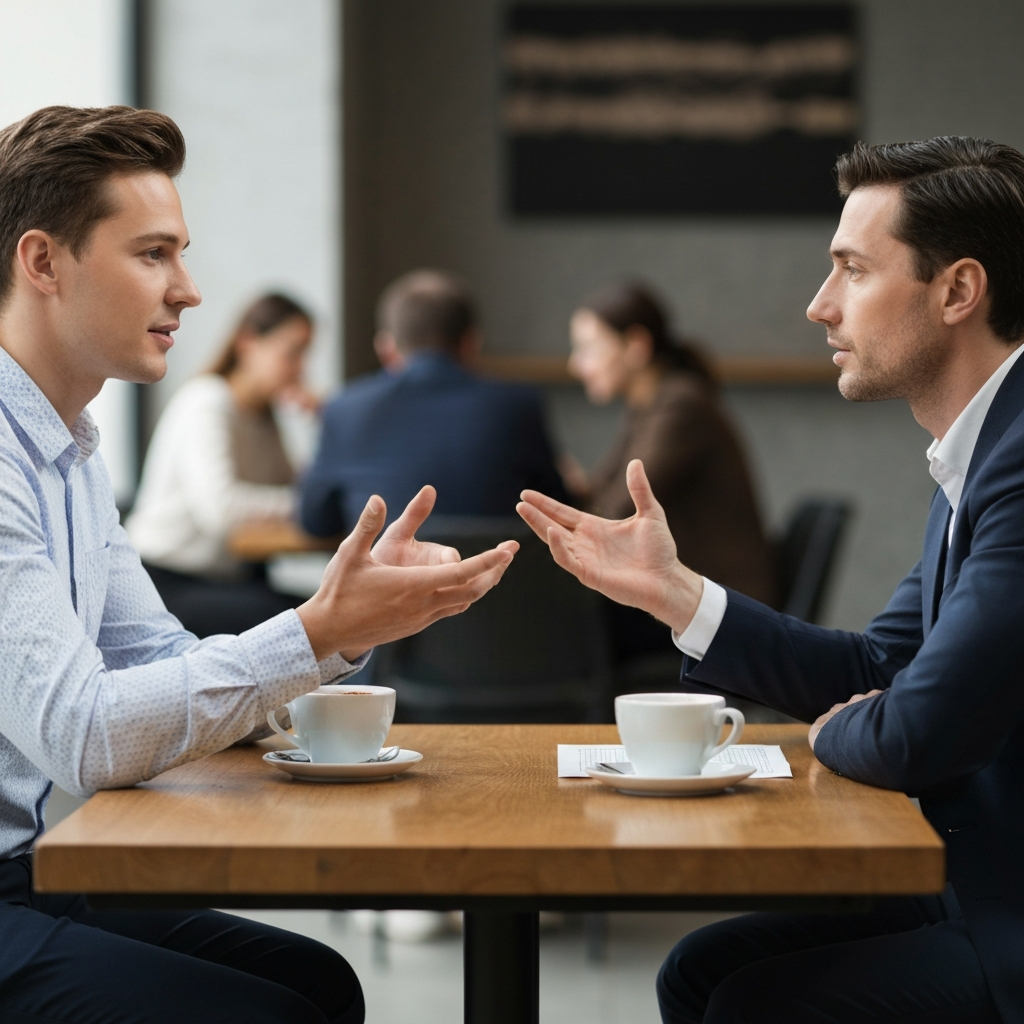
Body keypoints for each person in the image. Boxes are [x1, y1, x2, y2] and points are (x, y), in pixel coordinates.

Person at [0, 105, 516, 1024]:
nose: (189, 291)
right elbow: (83, 735)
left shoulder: (71, 448)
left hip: (34, 869)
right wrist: (318, 628)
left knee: (319, 986)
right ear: (42, 263)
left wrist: (336, 631)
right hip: (21, 879)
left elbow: (152, 652)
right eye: (153, 254)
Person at [518, 136, 1024, 1024]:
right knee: (700, 972)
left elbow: (914, 732)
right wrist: (673, 593)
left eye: (852, 271)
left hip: (1003, 898)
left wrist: (844, 729)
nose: (818, 305)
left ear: (957, 291)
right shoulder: (979, 457)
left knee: (753, 1002)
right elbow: (878, 667)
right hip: (977, 870)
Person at [566, 282, 777, 661]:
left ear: (635, 346)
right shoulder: (648, 404)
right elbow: (602, 494)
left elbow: (616, 509)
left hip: (722, 606)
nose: (575, 364)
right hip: (692, 596)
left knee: (566, 629)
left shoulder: (680, 403)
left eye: (588, 348)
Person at [300, 269, 568, 537]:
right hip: (497, 576)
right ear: (471, 342)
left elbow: (316, 521)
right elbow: (558, 509)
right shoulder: (520, 407)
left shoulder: (344, 409)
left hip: (388, 578)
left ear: (386, 348)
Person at [126, 292, 319, 636]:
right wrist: (302, 504)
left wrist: (319, 420)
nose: (300, 367)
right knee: (305, 622)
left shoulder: (264, 417)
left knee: (319, 612)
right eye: (293, 352)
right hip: (167, 582)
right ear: (248, 342)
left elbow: (300, 487)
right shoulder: (207, 401)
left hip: (232, 578)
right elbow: (222, 512)